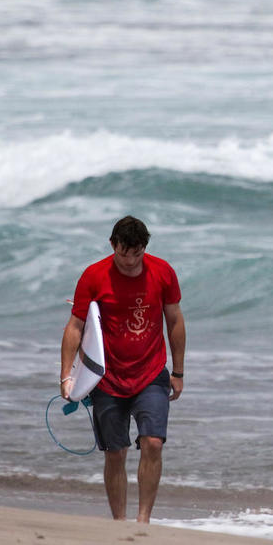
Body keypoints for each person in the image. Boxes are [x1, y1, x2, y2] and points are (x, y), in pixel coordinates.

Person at [60, 216, 186, 523]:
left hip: (151, 373)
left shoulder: (163, 272)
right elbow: (76, 326)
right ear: (112, 245)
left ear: (145, 247)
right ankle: (119, 522)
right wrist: (67, 375)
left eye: (137, 254)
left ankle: (143, 521)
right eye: (123, 254)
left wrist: (178, 372)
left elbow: (175, 321)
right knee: (115, 452)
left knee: (153, 443)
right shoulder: (93, 275)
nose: (130, 262)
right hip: (107, 378)